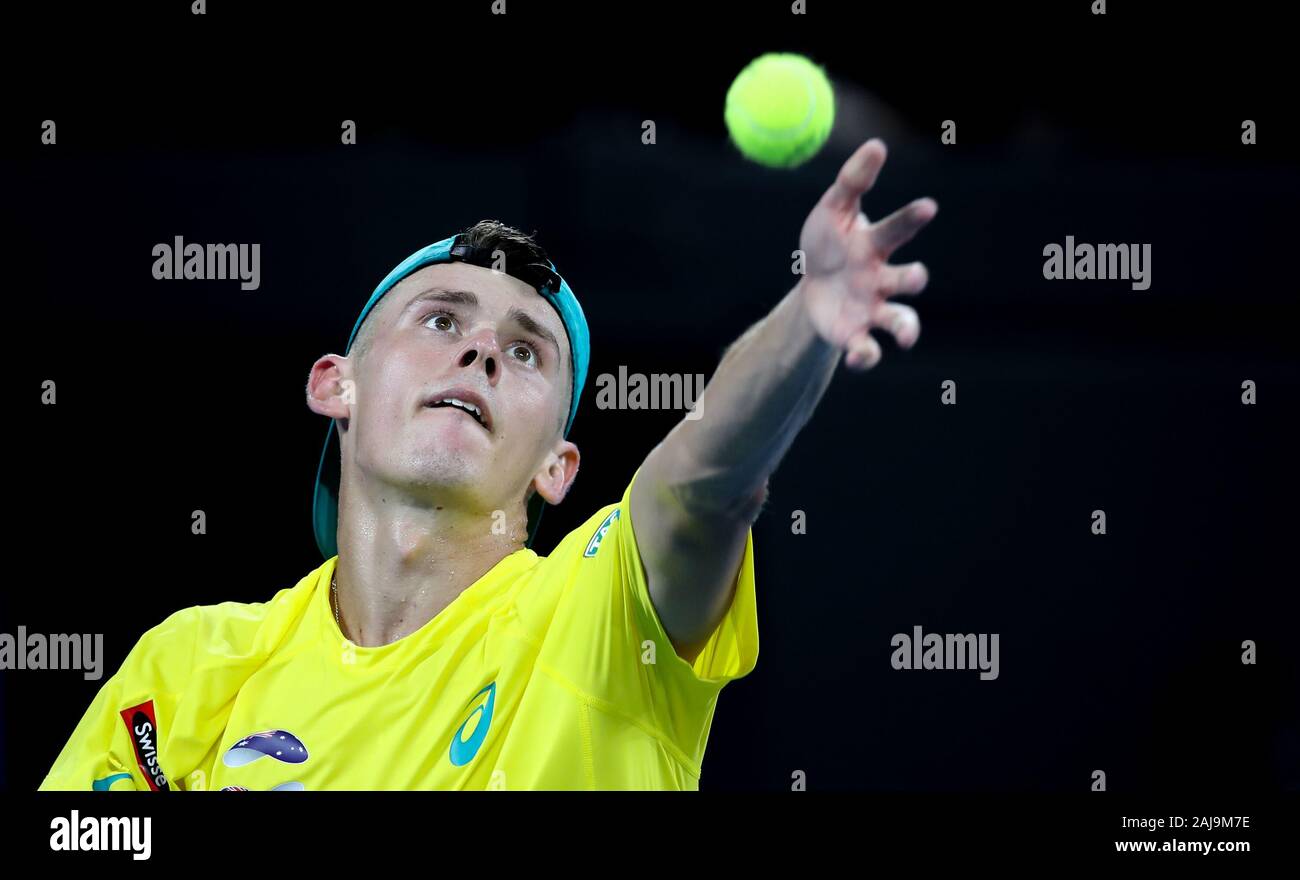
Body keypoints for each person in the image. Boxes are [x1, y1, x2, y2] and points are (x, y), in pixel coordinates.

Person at [40, 139, 935, 790]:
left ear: (558, 466)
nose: (480, 354)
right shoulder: (191, 663)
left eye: (527, 350)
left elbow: (703, 487)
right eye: (441, 321)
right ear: (334, 385)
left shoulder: (597, 616)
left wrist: (806, 326)